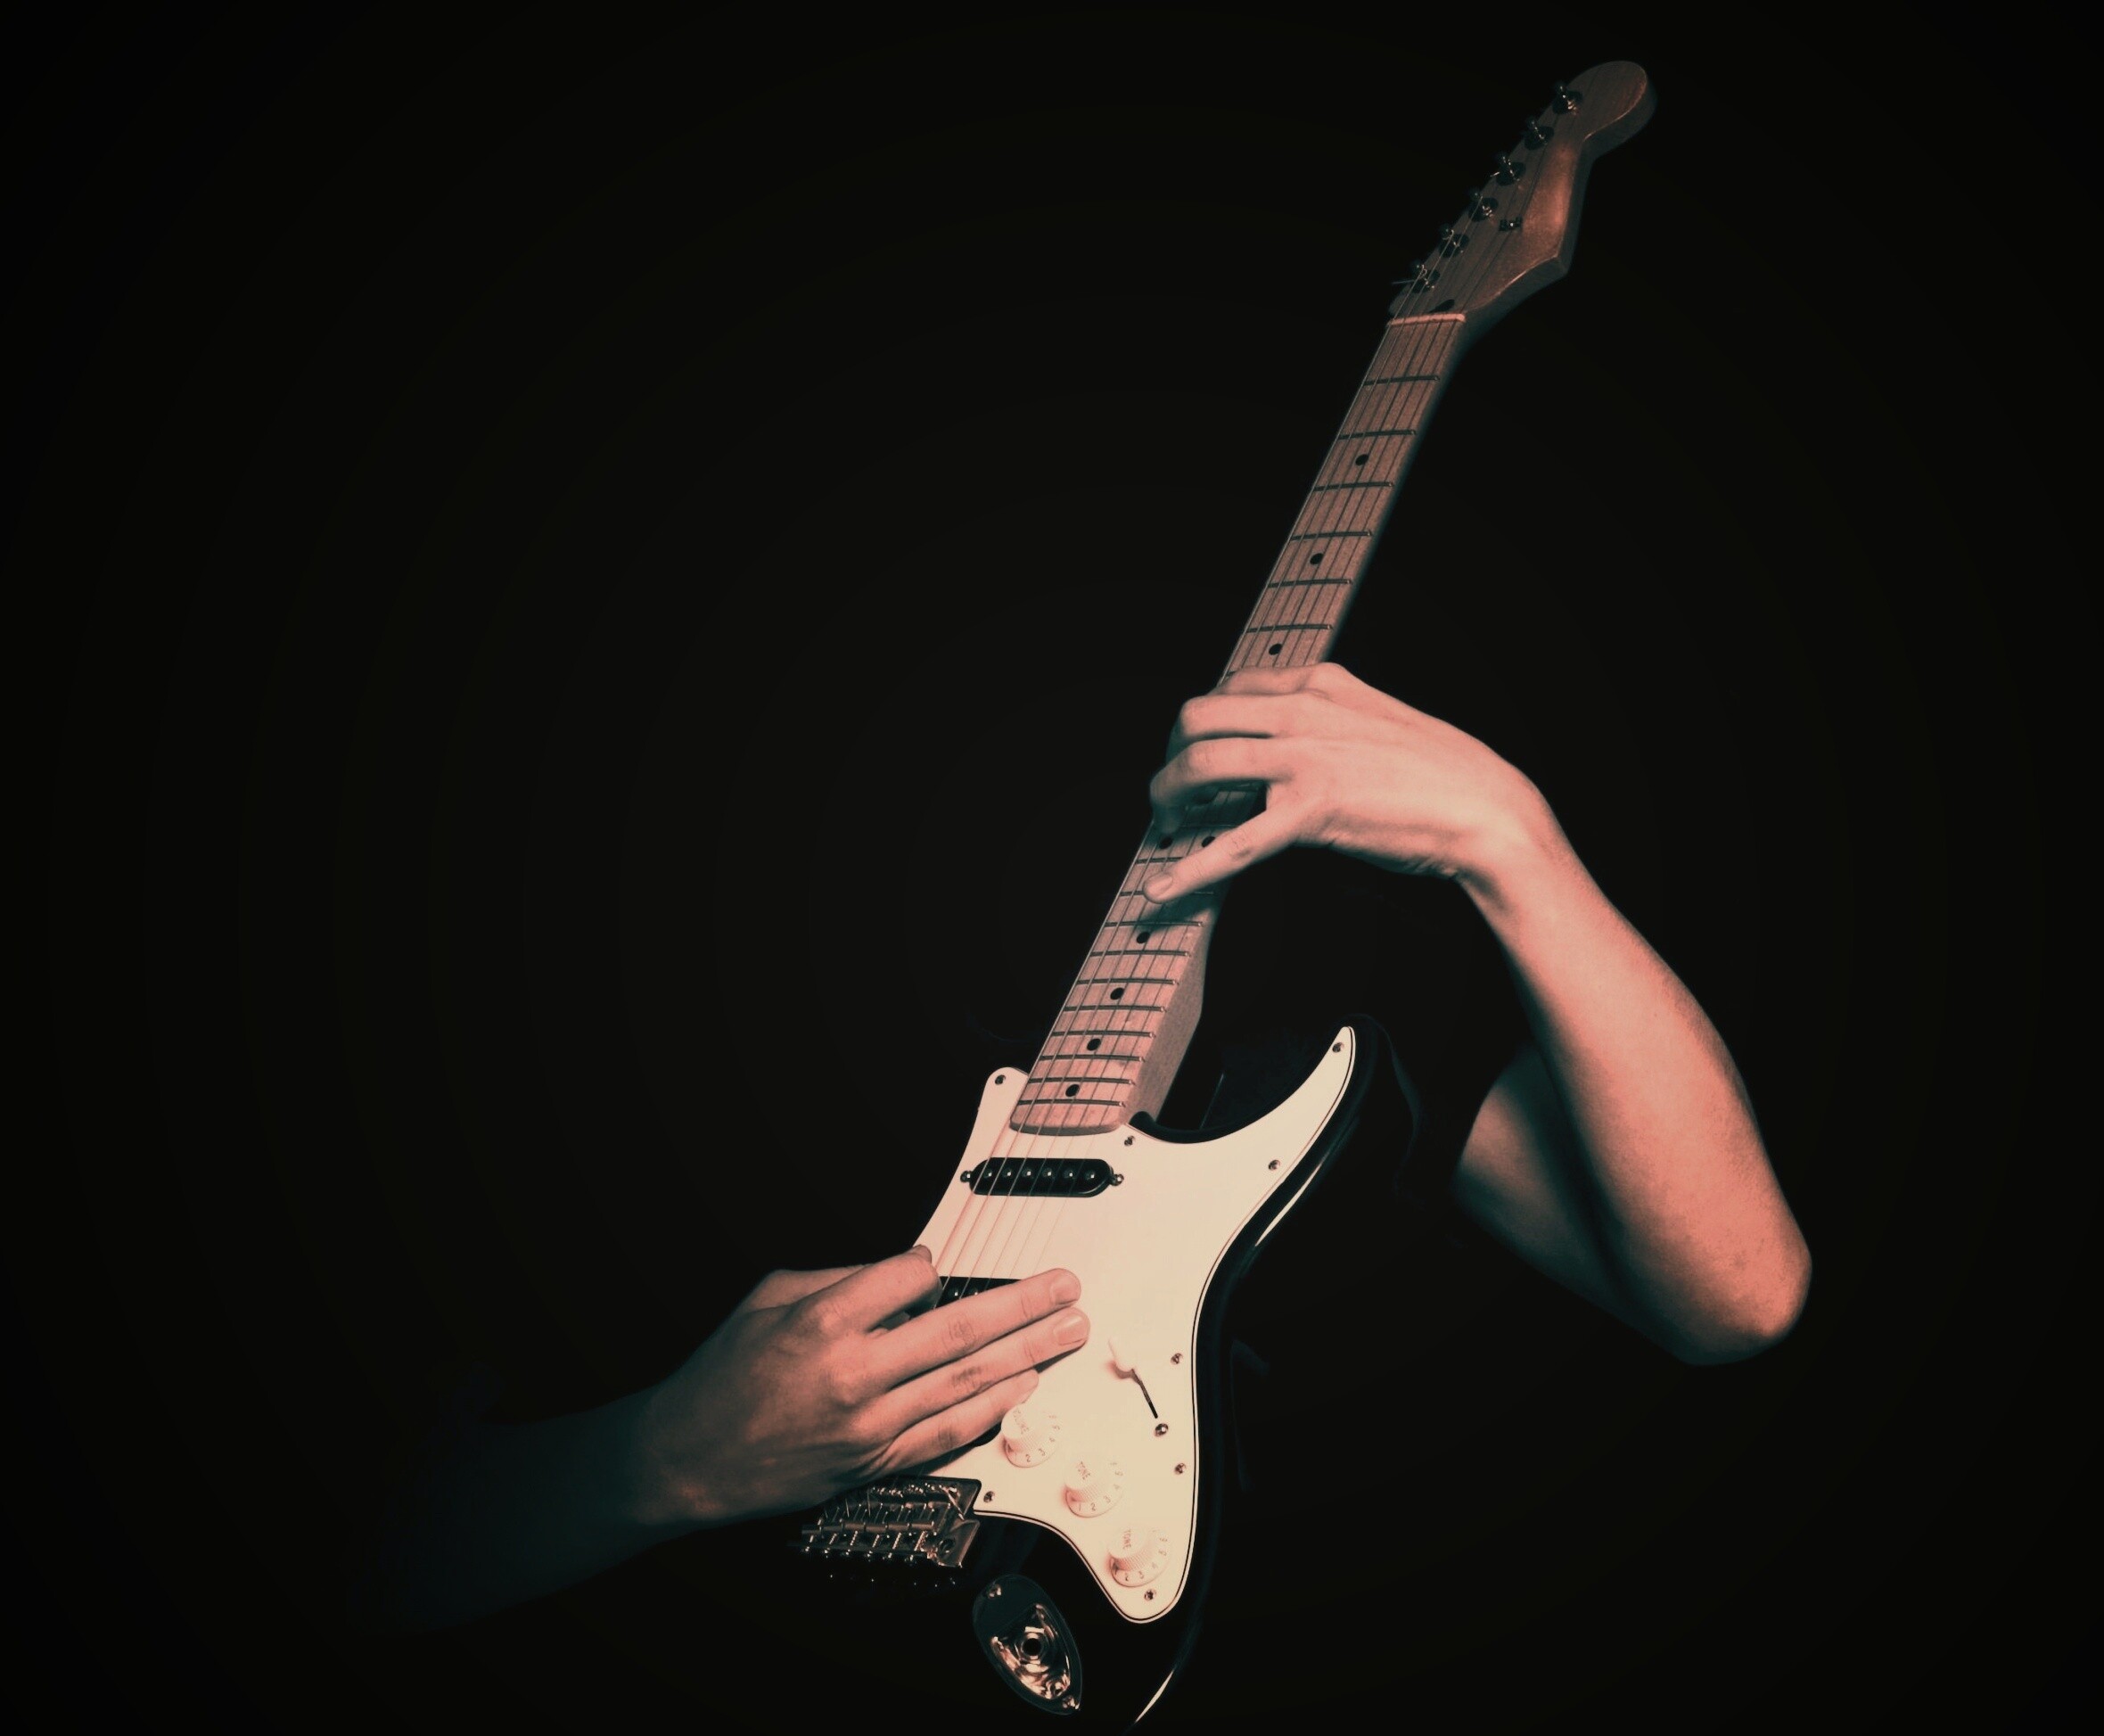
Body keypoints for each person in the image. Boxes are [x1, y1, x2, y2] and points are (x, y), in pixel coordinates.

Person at [351, 657, 1806, 1612]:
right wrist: (658, 1460)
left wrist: (1511, 840)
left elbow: (1735, 1294)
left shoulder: (1331, 962)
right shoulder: (612, 996)